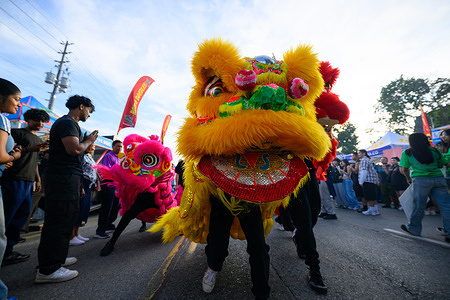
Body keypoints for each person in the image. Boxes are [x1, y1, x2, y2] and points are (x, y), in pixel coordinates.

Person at [36, 95, 98, 283]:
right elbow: (74, 150)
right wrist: (89, 140)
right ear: (81, 106)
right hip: (62, 177)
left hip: (69, 178)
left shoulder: (72, 125)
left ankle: (57, 259)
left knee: (65, 219)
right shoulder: (67, 123)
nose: (89, 114)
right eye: (89, 110)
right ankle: (48, 270)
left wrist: (78, 184)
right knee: (59, 221)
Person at [1, 108, 49, 266]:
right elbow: (8, 154)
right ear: (27, 119)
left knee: (20, 217)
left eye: (43, 121)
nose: (40, 124)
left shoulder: (37, 139)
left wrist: (37, 178)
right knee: (8, 217)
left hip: (29, 181)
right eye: (37, 120)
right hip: (14, 179)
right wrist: (30, 149)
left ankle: (8, 251)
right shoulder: (17, 133)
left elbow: (34, 160)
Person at [399, 133, 450, 243]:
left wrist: (408, 178)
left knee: (419, 206)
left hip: (421, 180)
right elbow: (443, 164)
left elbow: (404, 169)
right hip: (439, 179)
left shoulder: (408, 152)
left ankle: (414, 228)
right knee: (446, 206)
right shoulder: (435, 151)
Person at [0, 78, 23, 300]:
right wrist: (12, 155)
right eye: (16, 99)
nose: (19, 105)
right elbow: (1, 155)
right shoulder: (2, 119)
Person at [69, 143, 99, 246]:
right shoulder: (81, 155)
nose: (94, 147)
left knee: (83, 210)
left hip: (89, 186)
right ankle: (71, 236)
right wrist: (81, 186)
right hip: (83, 184)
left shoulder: (89, 156)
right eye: (92, 145)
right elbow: (80, 171)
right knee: (78, 209)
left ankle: (77, 234)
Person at [95, 140, 123, 239]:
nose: (119, 148)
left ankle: (108, 225)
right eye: (117, 146)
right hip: (108, 185)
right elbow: (107, 171)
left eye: (121, 146)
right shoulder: (108, 156)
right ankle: (100, 230)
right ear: (113, 146)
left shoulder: (120, 158)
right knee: (106, 207)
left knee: (115, 206)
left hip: (116, 186)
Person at [357, 149, 380, 216]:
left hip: (367, 181)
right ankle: (375, 210)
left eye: (359, 153)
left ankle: (372, 210)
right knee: (373, 196)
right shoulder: (367, 160)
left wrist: (361, 181)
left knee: (370, 197)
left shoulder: (364, 160)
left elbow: (364, 171)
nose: (358, 154)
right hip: (371, 181)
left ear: (364, 153)